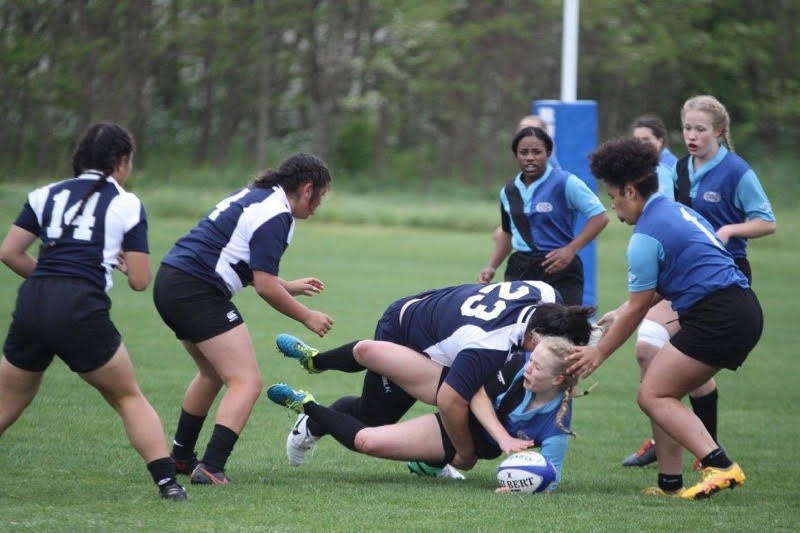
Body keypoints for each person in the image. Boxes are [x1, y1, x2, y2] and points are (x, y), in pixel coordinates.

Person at [567, 137, 764, 500]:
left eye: (613, 197)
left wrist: (598, 354)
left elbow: (639, 308)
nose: (613, 206)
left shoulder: (644, 236)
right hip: (739, 308)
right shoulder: (675, 210)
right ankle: (670, 484)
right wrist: (620, 311)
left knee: (654, 394)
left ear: (630, 190)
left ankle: (719, 464)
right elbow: (665, 283)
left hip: (719, 316)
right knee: (661, 390)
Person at [0, 122, 186, 500]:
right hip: (79, 306)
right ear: (121, 161)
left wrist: (51, 277)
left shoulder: (44, 195)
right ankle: (168, 483)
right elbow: (139, 279)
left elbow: (9, 252)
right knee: (127, 397)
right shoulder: (126, 202)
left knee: (8, 402)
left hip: (34, 300)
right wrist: (114, 263)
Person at [273, 281, 595, 472]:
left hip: (429, 308)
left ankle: (316, 368)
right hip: (405, 331)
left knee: (371, 386)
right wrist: (464, 454)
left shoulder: (547, 295)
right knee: (371, 417)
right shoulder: (488, 346)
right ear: (537, 338)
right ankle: (313, 398)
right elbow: (451, 400)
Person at [153, 153, 333, 485]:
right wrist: (307, 317)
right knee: (246, 381)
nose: (319, 204)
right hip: (197, 289)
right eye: (321, 195)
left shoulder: (257, 197)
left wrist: (289, 287)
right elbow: (264, 286)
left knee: (211, 373)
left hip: (171, 280)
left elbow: (241, 262)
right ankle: (211, 467)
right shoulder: (277, 214)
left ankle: (180, 456)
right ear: (308, 189)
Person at [621, 97, 776, 469]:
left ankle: (693, 441)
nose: (692, 135)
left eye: (700, 129)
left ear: (719, 131)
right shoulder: (678, 169)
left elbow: (766, 221)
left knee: (673, 358)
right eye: (687, 128)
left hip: (723, 276)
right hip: (681, 276)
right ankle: (673, 433)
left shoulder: (737, 171)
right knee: (652, 351)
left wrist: (729, 230)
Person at [266, 335, 581, 491]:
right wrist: (503, 438)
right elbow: (475, 391)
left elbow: (550, 475)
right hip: (455, 390)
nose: (528, 364)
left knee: (367, 441)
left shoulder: (556, 424)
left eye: (536, 366)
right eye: (531, 358)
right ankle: (315, 360)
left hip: (454, 437)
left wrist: (522, 486)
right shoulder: (517, 363)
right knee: (369, 351)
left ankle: (306, 405)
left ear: (556, 380)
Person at [478, 126, 609, 305]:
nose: (530, 157)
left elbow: (600, 217)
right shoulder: (508, 191)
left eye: (536, 152)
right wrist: (492, 266)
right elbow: (508, 233)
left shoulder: (566, 182)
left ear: (548, 153)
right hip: (520, 267)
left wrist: (570, 250)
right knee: (518, 328)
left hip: (559, 266)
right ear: (516, 155)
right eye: (523, 152)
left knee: (564, 328)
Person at [631, 114, 677, 199]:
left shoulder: (668, 167)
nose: (640, 143)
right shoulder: (638, 164)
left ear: (660, 141)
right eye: (636, 140)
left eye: (646, 139)